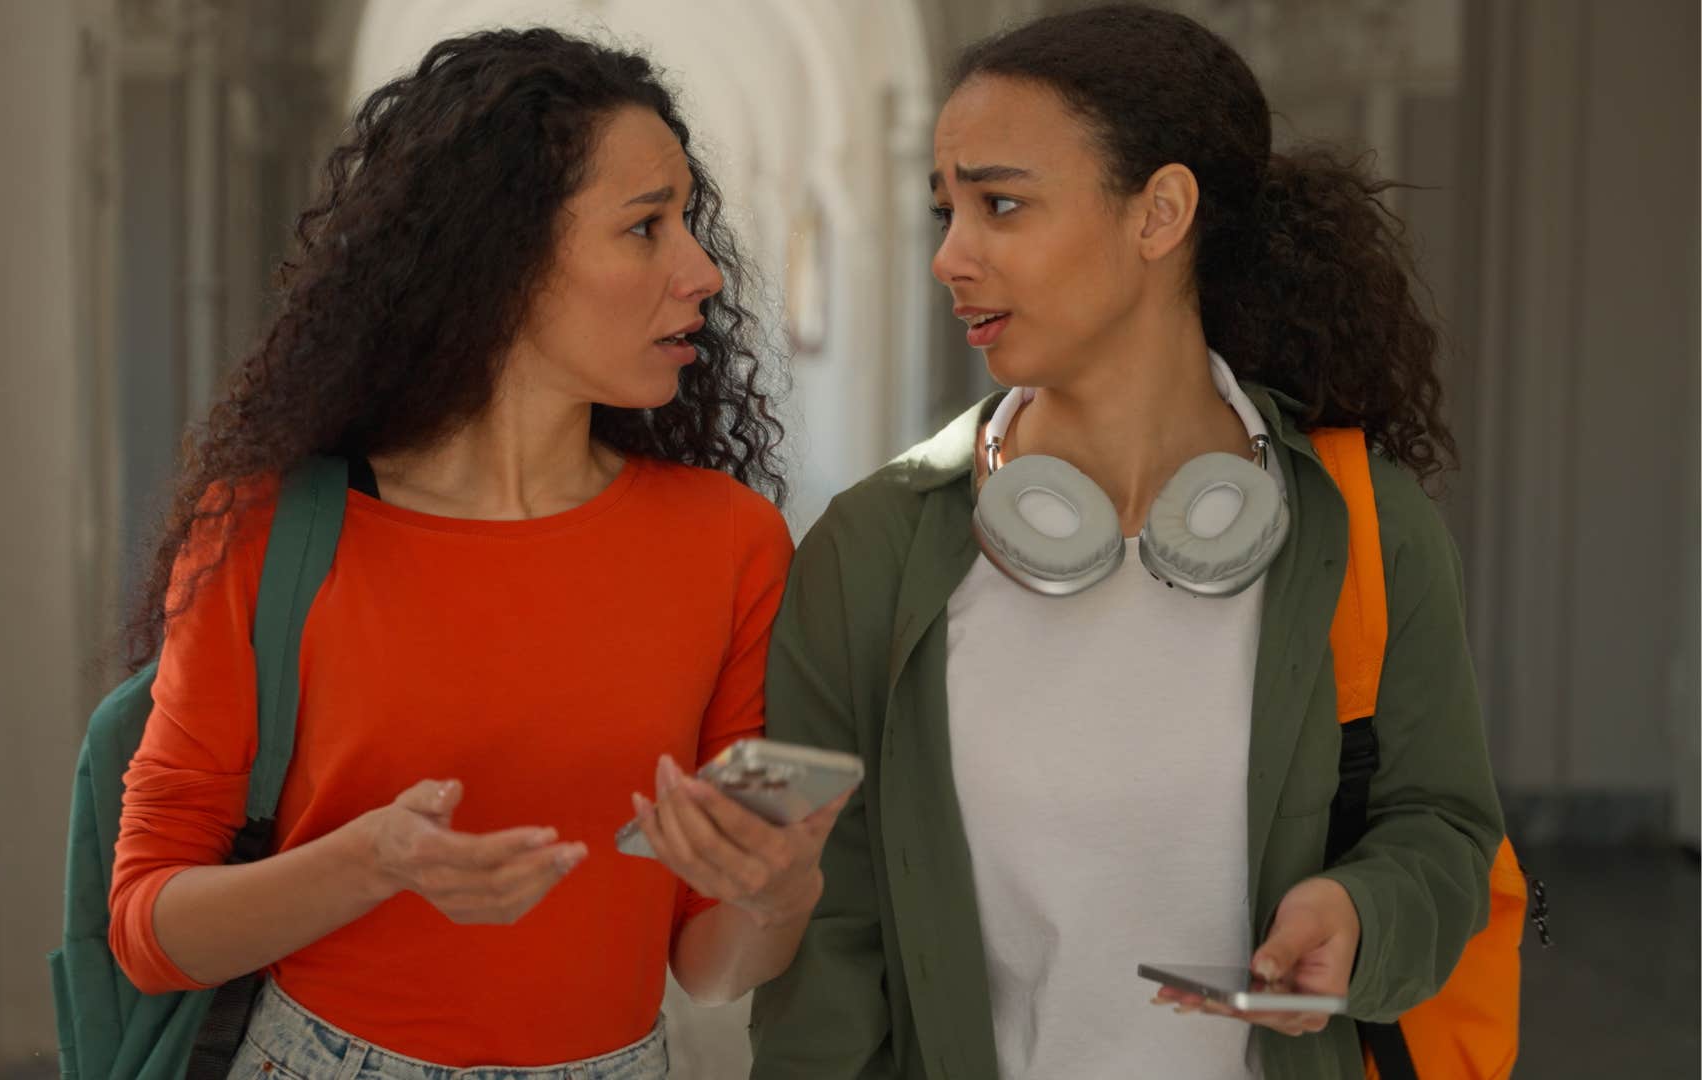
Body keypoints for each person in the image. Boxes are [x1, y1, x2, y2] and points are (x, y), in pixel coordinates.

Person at [749, 6, 1504, 1078]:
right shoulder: (876, 546)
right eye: (944, 211)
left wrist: (1360, 912)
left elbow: (1441, 828)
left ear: (1160, 213)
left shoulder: (1362, 525)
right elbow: (831, 936)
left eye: (1001, 204)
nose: (950, 257)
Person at [108, 27, 847, 1080]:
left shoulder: (729, 542)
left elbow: (711, 968)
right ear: (499, 255)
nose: (702, 272)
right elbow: (147, 929)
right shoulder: (269, 533)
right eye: (646, 227)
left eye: (690, 222)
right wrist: (369, 863)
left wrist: (779, 891)